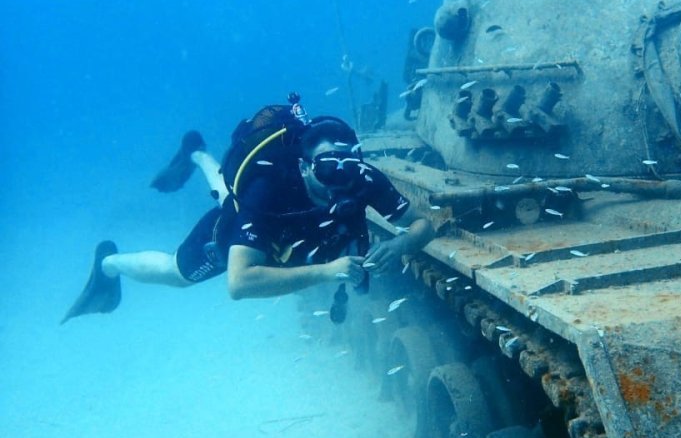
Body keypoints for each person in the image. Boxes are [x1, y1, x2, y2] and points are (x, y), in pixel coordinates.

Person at [62, 102, 435, 324]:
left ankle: (195, 153)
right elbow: (238, 284)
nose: (338, 180)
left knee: (224, 190)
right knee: (178, 271)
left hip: (281, 232)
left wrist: (403, 245)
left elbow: (423, 224)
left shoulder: (363, 179)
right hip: (242, 227)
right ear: (304, 167)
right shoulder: (268, 188)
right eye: (326, 168)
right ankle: (109, 263)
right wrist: (327, 272)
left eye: (347, 167)